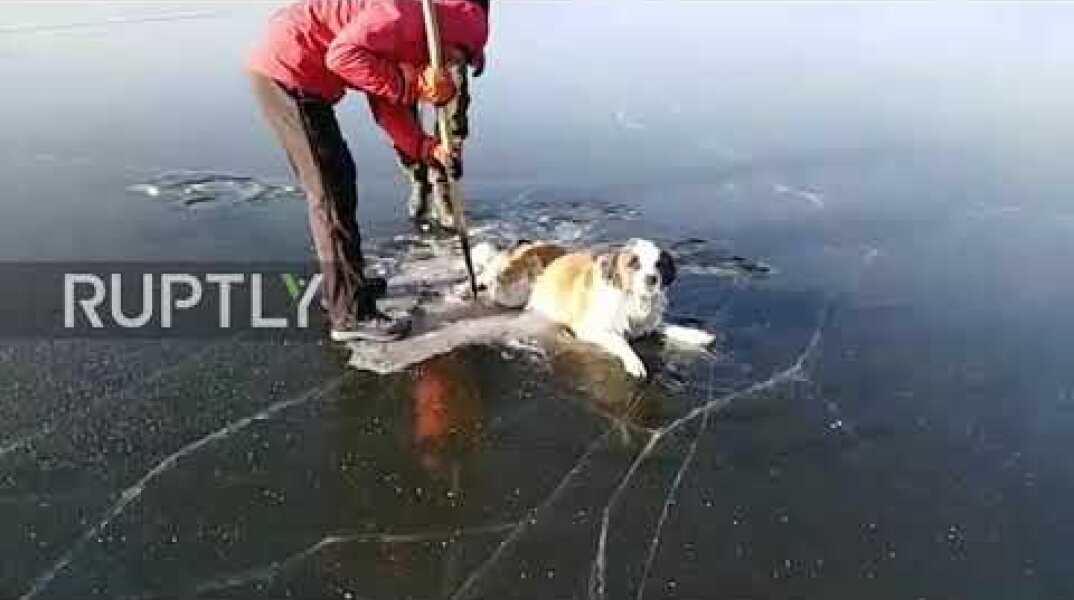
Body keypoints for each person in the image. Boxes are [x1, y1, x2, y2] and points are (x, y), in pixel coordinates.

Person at [246, 0, 489, 342]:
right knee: (330, 191)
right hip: (288, 71)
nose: (453, 69)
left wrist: (426, 148)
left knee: (340, 182)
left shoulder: (417, 38)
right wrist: (415, 84)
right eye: (457, 58)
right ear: (453, 31)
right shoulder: (402, 12)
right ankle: (348, 313)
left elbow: (387, 102)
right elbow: (341, 56)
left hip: (303, 77)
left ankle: (347, 284)